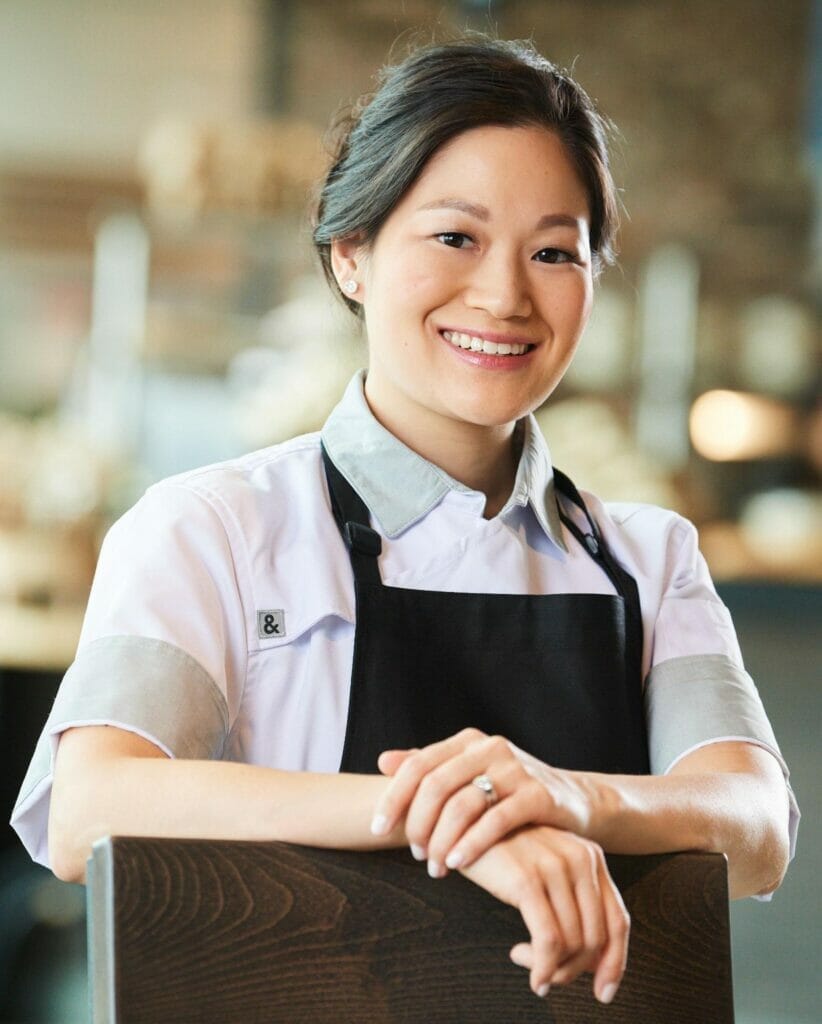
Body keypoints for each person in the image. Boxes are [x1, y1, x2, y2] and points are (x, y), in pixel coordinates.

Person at [12, 34, 797, 1006]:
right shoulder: (210, 528)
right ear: (352, 255)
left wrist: (570, 796)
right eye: (455, 238)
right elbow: (90, 805)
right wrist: (457, 820)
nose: (505, 295)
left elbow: (757, 825)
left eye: (554, 252)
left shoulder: (648, 556)